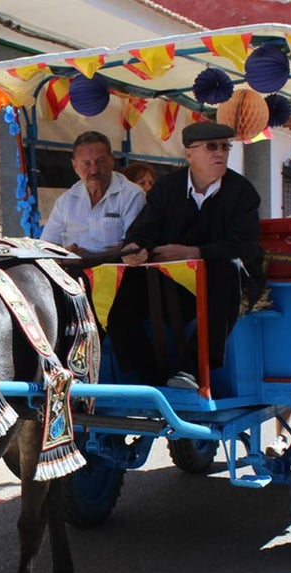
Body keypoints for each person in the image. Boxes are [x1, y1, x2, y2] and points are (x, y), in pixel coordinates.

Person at [108, 121, 261, 389]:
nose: (220, 152)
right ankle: (146, 375)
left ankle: (191, 370)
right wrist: (136, 249)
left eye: (225, 146)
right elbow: (142, 231)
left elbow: (245, 246)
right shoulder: (167, 188)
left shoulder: (242, 192)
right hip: (173, 282)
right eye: (211, 146)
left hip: (223, 285)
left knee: (228, 269)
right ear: (189, 153)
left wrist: (196, 252)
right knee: (120, 291)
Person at [39, 131, 145, 258]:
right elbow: (47, 245)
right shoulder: (66, 200)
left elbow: (133, 245)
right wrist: (65, 254)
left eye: (100, 161)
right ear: (75, 166)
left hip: (115, 268)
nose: (94, 170)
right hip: (72, 268)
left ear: (112, 160)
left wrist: (89, 257)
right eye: (86, 163)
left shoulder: (131, 195)